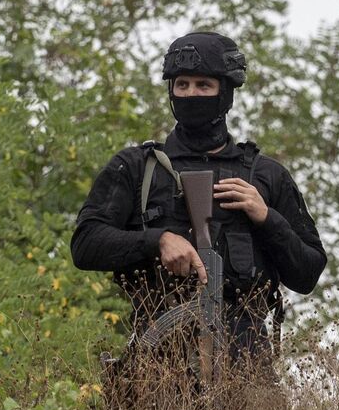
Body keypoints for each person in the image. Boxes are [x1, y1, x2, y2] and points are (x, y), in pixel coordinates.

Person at [72, 31, 325, 376]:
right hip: (158, 368)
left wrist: (266, 218)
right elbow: (85, 244)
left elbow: (307, 273)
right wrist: (156, 240)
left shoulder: (266, 175)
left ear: (226, 92)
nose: (191, 94)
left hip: (246, 368)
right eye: (183, 85)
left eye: (203, 85)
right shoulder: (137, 168)